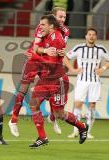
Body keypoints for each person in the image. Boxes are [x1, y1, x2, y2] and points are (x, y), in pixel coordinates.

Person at [29, 14, 88, 148]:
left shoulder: (57, 39)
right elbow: (35, 49)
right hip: (45, 79)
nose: (40, 27)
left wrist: (37, 59)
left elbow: (50, 63)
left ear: (51, 26)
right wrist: (41, 51)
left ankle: (82, 126)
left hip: (57, 81)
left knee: (59, 114)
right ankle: (42, 137)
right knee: (34, 104)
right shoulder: (45, 35)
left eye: (43, 25)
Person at [8, 7, 70, 137]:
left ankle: (52, 118)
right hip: (34, 61)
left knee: (53, 89)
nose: (62, 19)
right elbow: (35, 48)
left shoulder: (65, 31)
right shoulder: (41, 27)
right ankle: (13, 120)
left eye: (64, 17)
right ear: (52, 18)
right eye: (60, 17)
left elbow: (60, 50)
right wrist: (46, 51)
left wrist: (61, 53)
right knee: (23, 90)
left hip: (48, 64)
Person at [67, 27, 109, 139]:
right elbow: (65, 57)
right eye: (89, 34)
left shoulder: (100, 49)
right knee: (78, 104)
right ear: (86, 36)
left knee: (92, 105)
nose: (91, 36)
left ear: (96, 37)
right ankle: (76, 130)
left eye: (93, 34)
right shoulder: (79, 48)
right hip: (82, 80)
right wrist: (72, 70)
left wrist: (102, 68)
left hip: (95, 81)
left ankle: (87, 131)